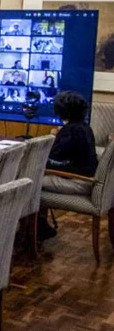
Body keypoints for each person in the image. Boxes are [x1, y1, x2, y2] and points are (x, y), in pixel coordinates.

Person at [39, 92, 98, 241]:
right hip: (88, 179)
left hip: (78, 181)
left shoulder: (70, 131)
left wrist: (51, 141)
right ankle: (38, 225)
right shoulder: (85, 128)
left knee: (30, 182)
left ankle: (37, 226)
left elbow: (53, 159)